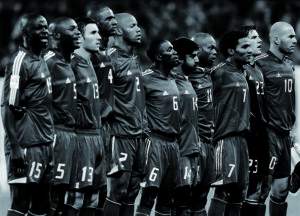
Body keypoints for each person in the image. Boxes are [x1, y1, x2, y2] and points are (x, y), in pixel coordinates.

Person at [1, 13, 54, 216]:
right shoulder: (19, 62)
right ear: (25, 33)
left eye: (47, 27)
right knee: (21, 203)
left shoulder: (40, 59)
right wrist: (15, 148)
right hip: (25, 145)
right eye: (40, 27)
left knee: (42, 205)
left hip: (44, 144)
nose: (46, 31)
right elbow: (8, 107)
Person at [103, 13, 148, 216]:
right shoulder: (109, 59)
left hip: (138, 135)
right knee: (118, 190)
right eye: (132, 25)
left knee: (132, 191)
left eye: (138, 25)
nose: (138, 29)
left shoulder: (133, 59)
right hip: (120, 135)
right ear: (119, 30)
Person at [207, 30, 252, 216]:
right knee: (224, 189)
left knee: (239, 194)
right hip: (225, 140)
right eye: (245, 47)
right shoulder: (219, 73)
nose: (250, 50)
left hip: (242, 141)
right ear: (231, 51)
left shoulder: (243, 72)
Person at [135, 39, 181, 216]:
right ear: (159, 57)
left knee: (167, 199)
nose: (175, 52)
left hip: (173, 144)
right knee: (149, 194)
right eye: (170, 50)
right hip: (155, 143)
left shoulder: (175, 78)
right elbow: (137, 107)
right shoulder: (145, 78)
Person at [256, 21, 297, 216]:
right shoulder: (259, 63)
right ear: (276, 39)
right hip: (268, 136)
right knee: (259, 191)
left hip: (285, 134)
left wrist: (292, 131)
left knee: (281, 191)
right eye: (290, 36)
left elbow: (290, 102)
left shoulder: (288, 65)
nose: (295, 40)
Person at [66, 17, 105, 216]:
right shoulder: (72, 64)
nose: (99, 37)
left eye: (98, 32)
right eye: (93, 33)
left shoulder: (91, 63)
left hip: (97, 136)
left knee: (94, 198)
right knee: (77, 197)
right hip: (81, 137)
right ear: (80, 38)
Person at [44, 17, 81, 216]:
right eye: (72, 29)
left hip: (71, 135)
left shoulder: (67, 62)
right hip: (56, 135)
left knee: (67, 197)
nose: (78, 33)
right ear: (57, 35)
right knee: (52, 196)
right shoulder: (48, 63)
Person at [86, 5, 117, 215]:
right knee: (84, 190)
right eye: (108, 18)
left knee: (103, 188)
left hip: (107, 129)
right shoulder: (87, 58)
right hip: (90, 129)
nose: (113, 21)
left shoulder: (107, 55)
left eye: (114, 17)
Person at [239, 25, 268, 216]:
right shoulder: (239, 70)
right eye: (254, 37)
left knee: (261, 188)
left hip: (262, 135)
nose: (259, 40)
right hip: (246, 136)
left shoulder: (258, 69)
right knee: (242, 188)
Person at [171, 37, 201, 215]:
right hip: (179, 150)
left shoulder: (186, 80)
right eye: (193, 56)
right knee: (178, 202)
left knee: (188, 201)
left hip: (192, 149)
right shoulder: (171, 82)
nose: (197, 60)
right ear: (180, 58)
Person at [190, 32, 217, 215]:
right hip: (194, 144)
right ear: (197, 51)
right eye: (210, 47)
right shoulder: (185, 77)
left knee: (202, 197)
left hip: (209, 143)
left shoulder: (210, 75)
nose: (215, 51)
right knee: (185, 197)